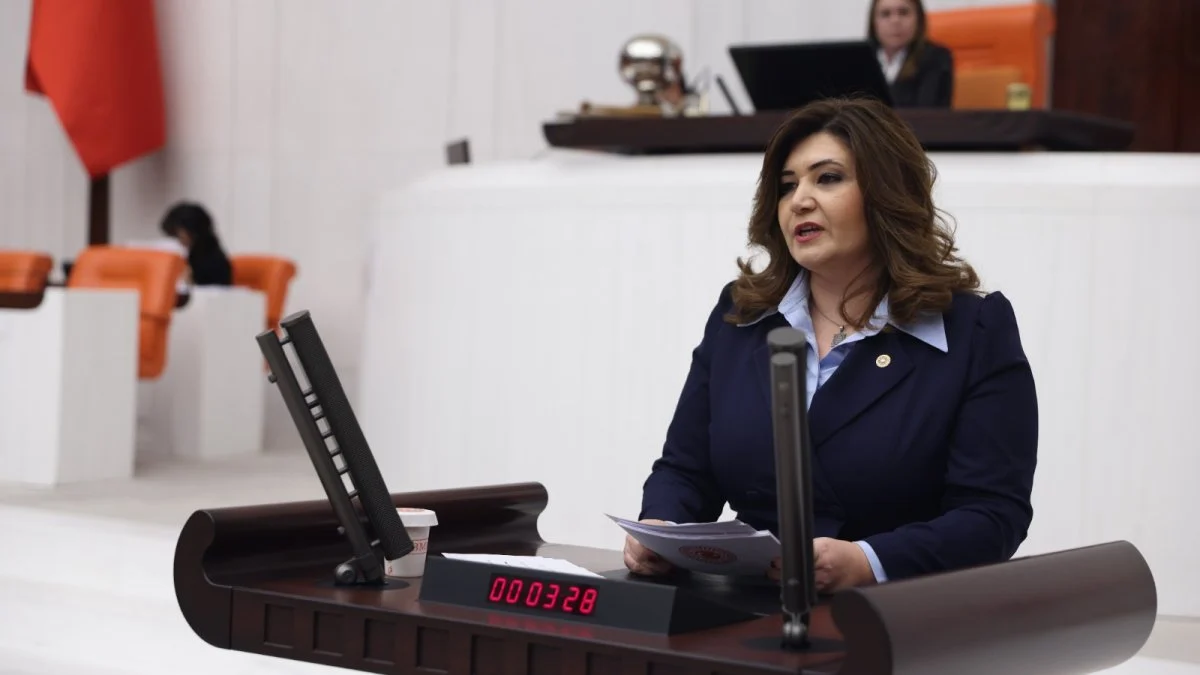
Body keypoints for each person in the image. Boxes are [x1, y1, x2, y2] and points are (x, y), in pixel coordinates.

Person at [626, 97, 1037, 594]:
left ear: (886, 192)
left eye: (827, 178)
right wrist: (662, 527)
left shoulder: (973, 329)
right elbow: (687, 470)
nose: (799, 200)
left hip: (893, 615)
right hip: (744, 606)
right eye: (787, 186)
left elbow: (993, 514)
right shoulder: (742, 315)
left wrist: (867, 561)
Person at [868, 0, 954, 108]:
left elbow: (927, 112)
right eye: (886, 14)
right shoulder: (862, 59)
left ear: (918, 19)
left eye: (903, 12)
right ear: (873, 22)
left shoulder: (936, 57)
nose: (895, 21)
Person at [160, 202, 233, 286]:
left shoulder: (214, 261)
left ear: (193, 231)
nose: (178, 241)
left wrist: (189, 280)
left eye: (178, 235)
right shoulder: (189, 253)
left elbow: (214, 289)